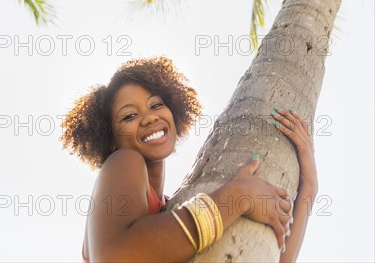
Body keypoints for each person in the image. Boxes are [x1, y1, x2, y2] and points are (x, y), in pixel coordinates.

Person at [59, 56, 318, 262]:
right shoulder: (123, 160)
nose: (149, 118)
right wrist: (235, 198)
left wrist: (308, 188)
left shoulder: (172, 209)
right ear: (111, 137)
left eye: (156, 105)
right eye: (129, 116)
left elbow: (270, 254)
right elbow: (116, 257)